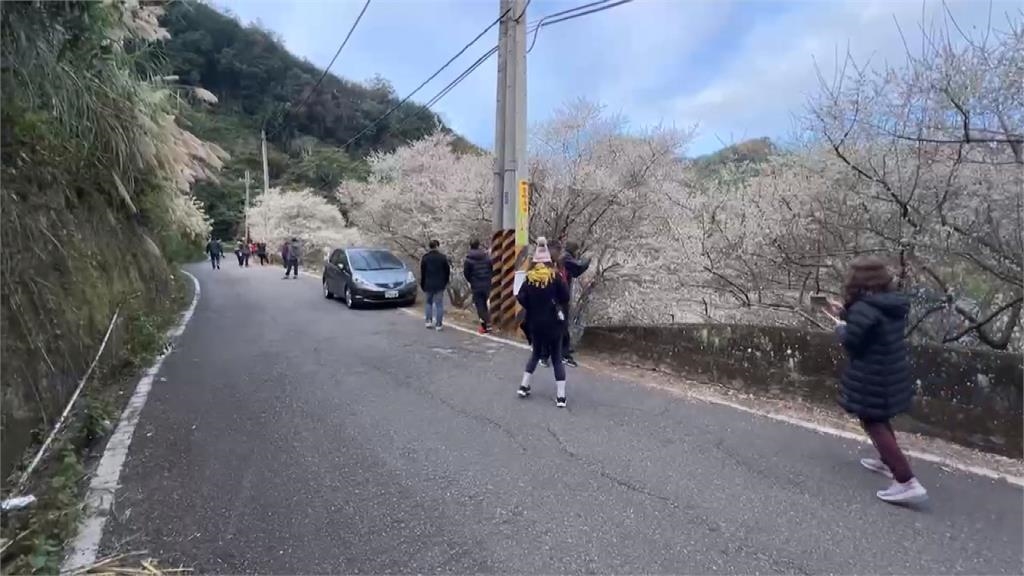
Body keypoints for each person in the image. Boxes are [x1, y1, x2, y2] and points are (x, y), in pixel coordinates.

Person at [821, 255, 927, 504]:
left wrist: (840, 328)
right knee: (879, 417)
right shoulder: (891, 304)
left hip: (872, 374)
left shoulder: (864, 309)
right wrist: (846, 312)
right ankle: (885, 461)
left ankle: (906, 481)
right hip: (890, 371)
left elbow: (852, 342)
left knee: (872, 420)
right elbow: (872, 324)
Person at [516, 237, 571, 408]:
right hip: (554, 324)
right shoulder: (554, 277)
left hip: (535, 323)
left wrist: (532, 306)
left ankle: (524, 386)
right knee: (556, 358)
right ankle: (561, 397)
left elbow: (520, 296)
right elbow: (566, 297)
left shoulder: (530, 278)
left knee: (536, 354)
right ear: (548, 260)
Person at [555, 240, 591, 367]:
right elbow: (578, 268)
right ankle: (562, 353)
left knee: (561, 324)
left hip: (560, 295)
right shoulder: (566, 258)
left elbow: (574, 273)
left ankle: (558, 350)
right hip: (560, 296)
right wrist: (587, 261)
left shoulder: (563, 257)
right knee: (562, 325)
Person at [463, 239, 494, 333]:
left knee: (480, 305)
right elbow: (491, 268)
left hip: (476, 284)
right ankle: (488, 323)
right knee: (485, 303)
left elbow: (466, 273)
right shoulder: (486, 257)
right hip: (487, 283)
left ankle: (485, 325)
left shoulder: (468, 259)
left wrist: (471, 280)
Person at [420, 240, 451, 331]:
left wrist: (422, 284)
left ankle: (428, 321)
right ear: (437, 246)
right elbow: (447, 271)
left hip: (428, 284)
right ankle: (438, 324)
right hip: (440, 284)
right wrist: (446, 282)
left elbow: (423, 272)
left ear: (429, 247)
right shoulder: (442, 258)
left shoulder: (425, 258)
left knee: (428, 303)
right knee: (439, 305)